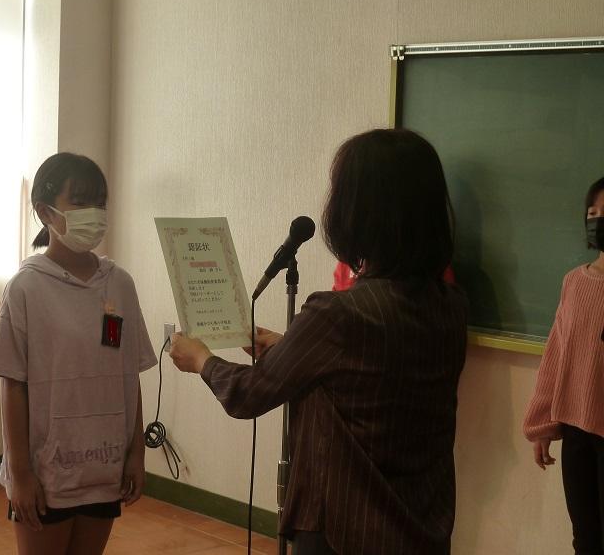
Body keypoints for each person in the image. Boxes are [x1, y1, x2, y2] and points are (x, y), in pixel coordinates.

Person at [170, 129, 468, 555]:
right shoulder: (451, 304)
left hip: (344, 529)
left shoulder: (336, 314)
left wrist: (201, 359)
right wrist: (291, 346)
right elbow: (376, 373)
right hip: (422, 526)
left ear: (357, 212)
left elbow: (248, 393)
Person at [0, 153, 157, 555]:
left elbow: (127, 375)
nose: (93, 213)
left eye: (99, 202)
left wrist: (136, 454)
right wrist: (20, 473)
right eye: (80, 202)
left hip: (104, 465)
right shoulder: (26, 288)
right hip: (48, 472)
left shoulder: (119, 284)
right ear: (45, 212)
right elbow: (13, 385)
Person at [523, 176, 604, 555]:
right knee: (585, 539)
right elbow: (556, 354)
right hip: (577, 432)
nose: (598, 220)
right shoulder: (575, 282)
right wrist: (541, 424)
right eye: (593, 212)